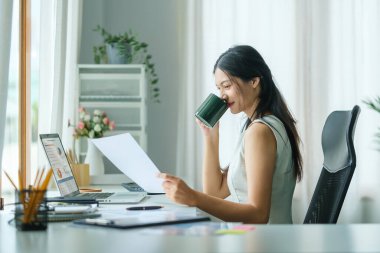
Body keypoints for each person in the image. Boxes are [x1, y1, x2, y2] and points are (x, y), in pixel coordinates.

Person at [158, 45, 302, 224]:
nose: (222, 96)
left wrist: (193, 197)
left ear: (254, 81)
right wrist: (210, 137)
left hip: (266, 241)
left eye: (226, 86)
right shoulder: (254, 126)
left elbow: (259, 214)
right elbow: (215, 192)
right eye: (219, 88)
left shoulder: (260, 132)